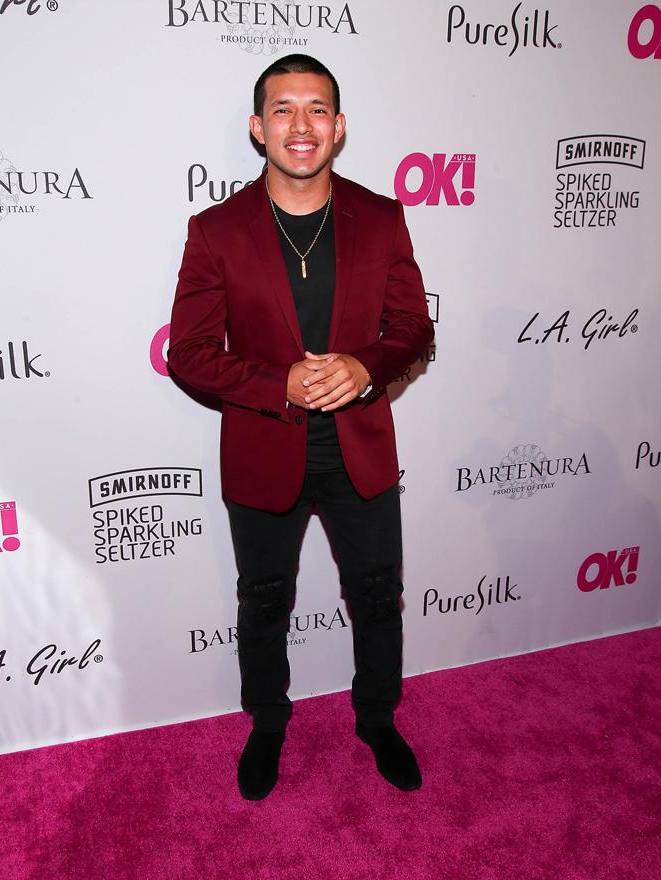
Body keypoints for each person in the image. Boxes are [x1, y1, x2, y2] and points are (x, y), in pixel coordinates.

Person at [167, 54, 434, 800]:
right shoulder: (216, 230)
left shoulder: (381, 217)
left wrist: (365, 367)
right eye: (282, 109)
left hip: (360, 449)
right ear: (258, 128)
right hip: (262, 447)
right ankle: (268, 724)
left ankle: (378, 719)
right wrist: (275, 382)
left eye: (316, 108)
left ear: (339, 126)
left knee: (379, 595)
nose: (301, 124)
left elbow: (413, 327)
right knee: (263, 599)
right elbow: (188, 352)